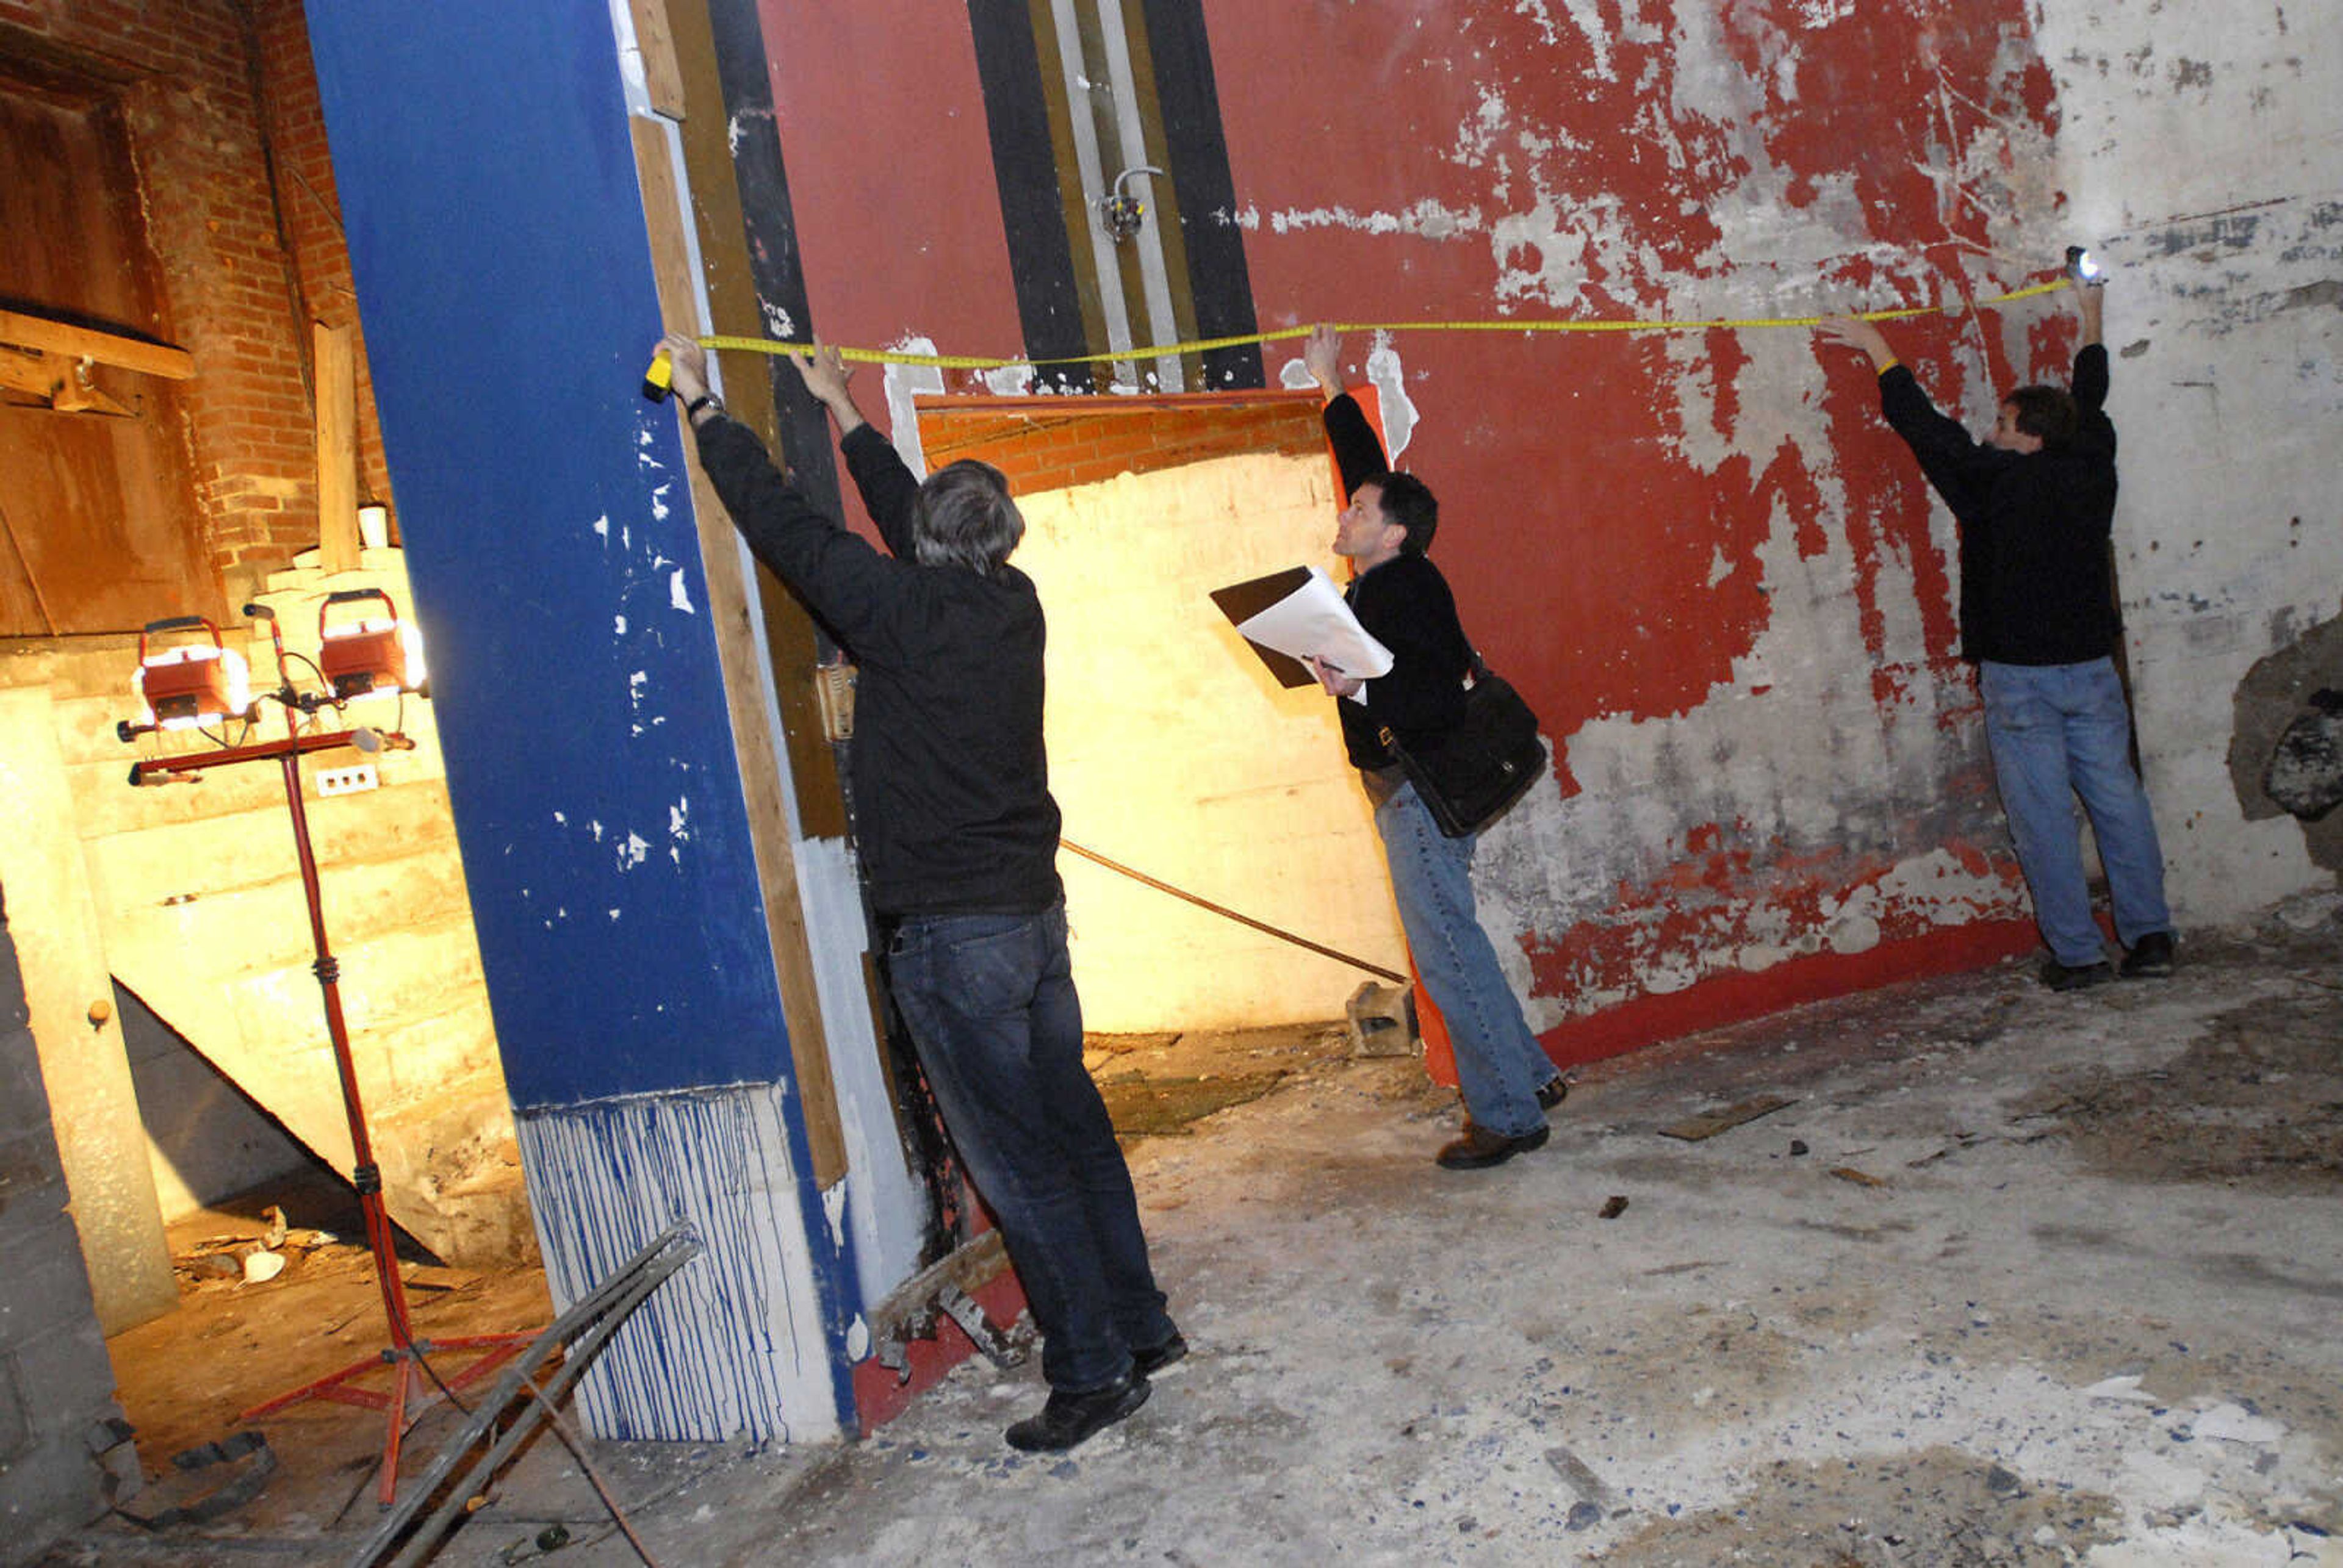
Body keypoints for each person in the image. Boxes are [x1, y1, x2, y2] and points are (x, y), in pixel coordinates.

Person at [655, 333, 1182, 1451]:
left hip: (957, 938)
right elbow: (916, 523)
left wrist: (705, 408)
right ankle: (1143, 1326)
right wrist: (842, 411)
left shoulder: (897, 614)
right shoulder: (1014, 601)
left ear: (932, 547)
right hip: (1035, 924)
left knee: (1017, 1163)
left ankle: (1092, 1371)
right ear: (1001, 542)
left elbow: (786, 528)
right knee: (1077, 1132)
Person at [1818, 281, 2176, 990]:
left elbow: (1925, 427)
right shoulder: (2092, 464)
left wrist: (1876, 347)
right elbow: (2091, 395)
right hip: (2091, 671)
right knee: (2119, 802)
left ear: (2029, 438)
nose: (1990, 431)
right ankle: (2152, 938)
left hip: (2023, 682)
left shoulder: (1991, 481)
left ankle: (2077, 956)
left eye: (2004, 423)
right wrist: (2093, 311)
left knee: (2043, 818)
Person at [1299, 325, 1567, 1169]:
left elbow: (1419, 692)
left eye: (1358, 511)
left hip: (1417, 795)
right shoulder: (1393, 571)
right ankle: (1528, 1076)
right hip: (1417, 791)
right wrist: (1332, 385)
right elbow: (1371, 472)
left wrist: (1356, 688)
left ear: (1394, 534)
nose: (1345, 512)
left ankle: (1508, 1117)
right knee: (1460, 940)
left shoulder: (1405, 586)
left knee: (1447, 955)